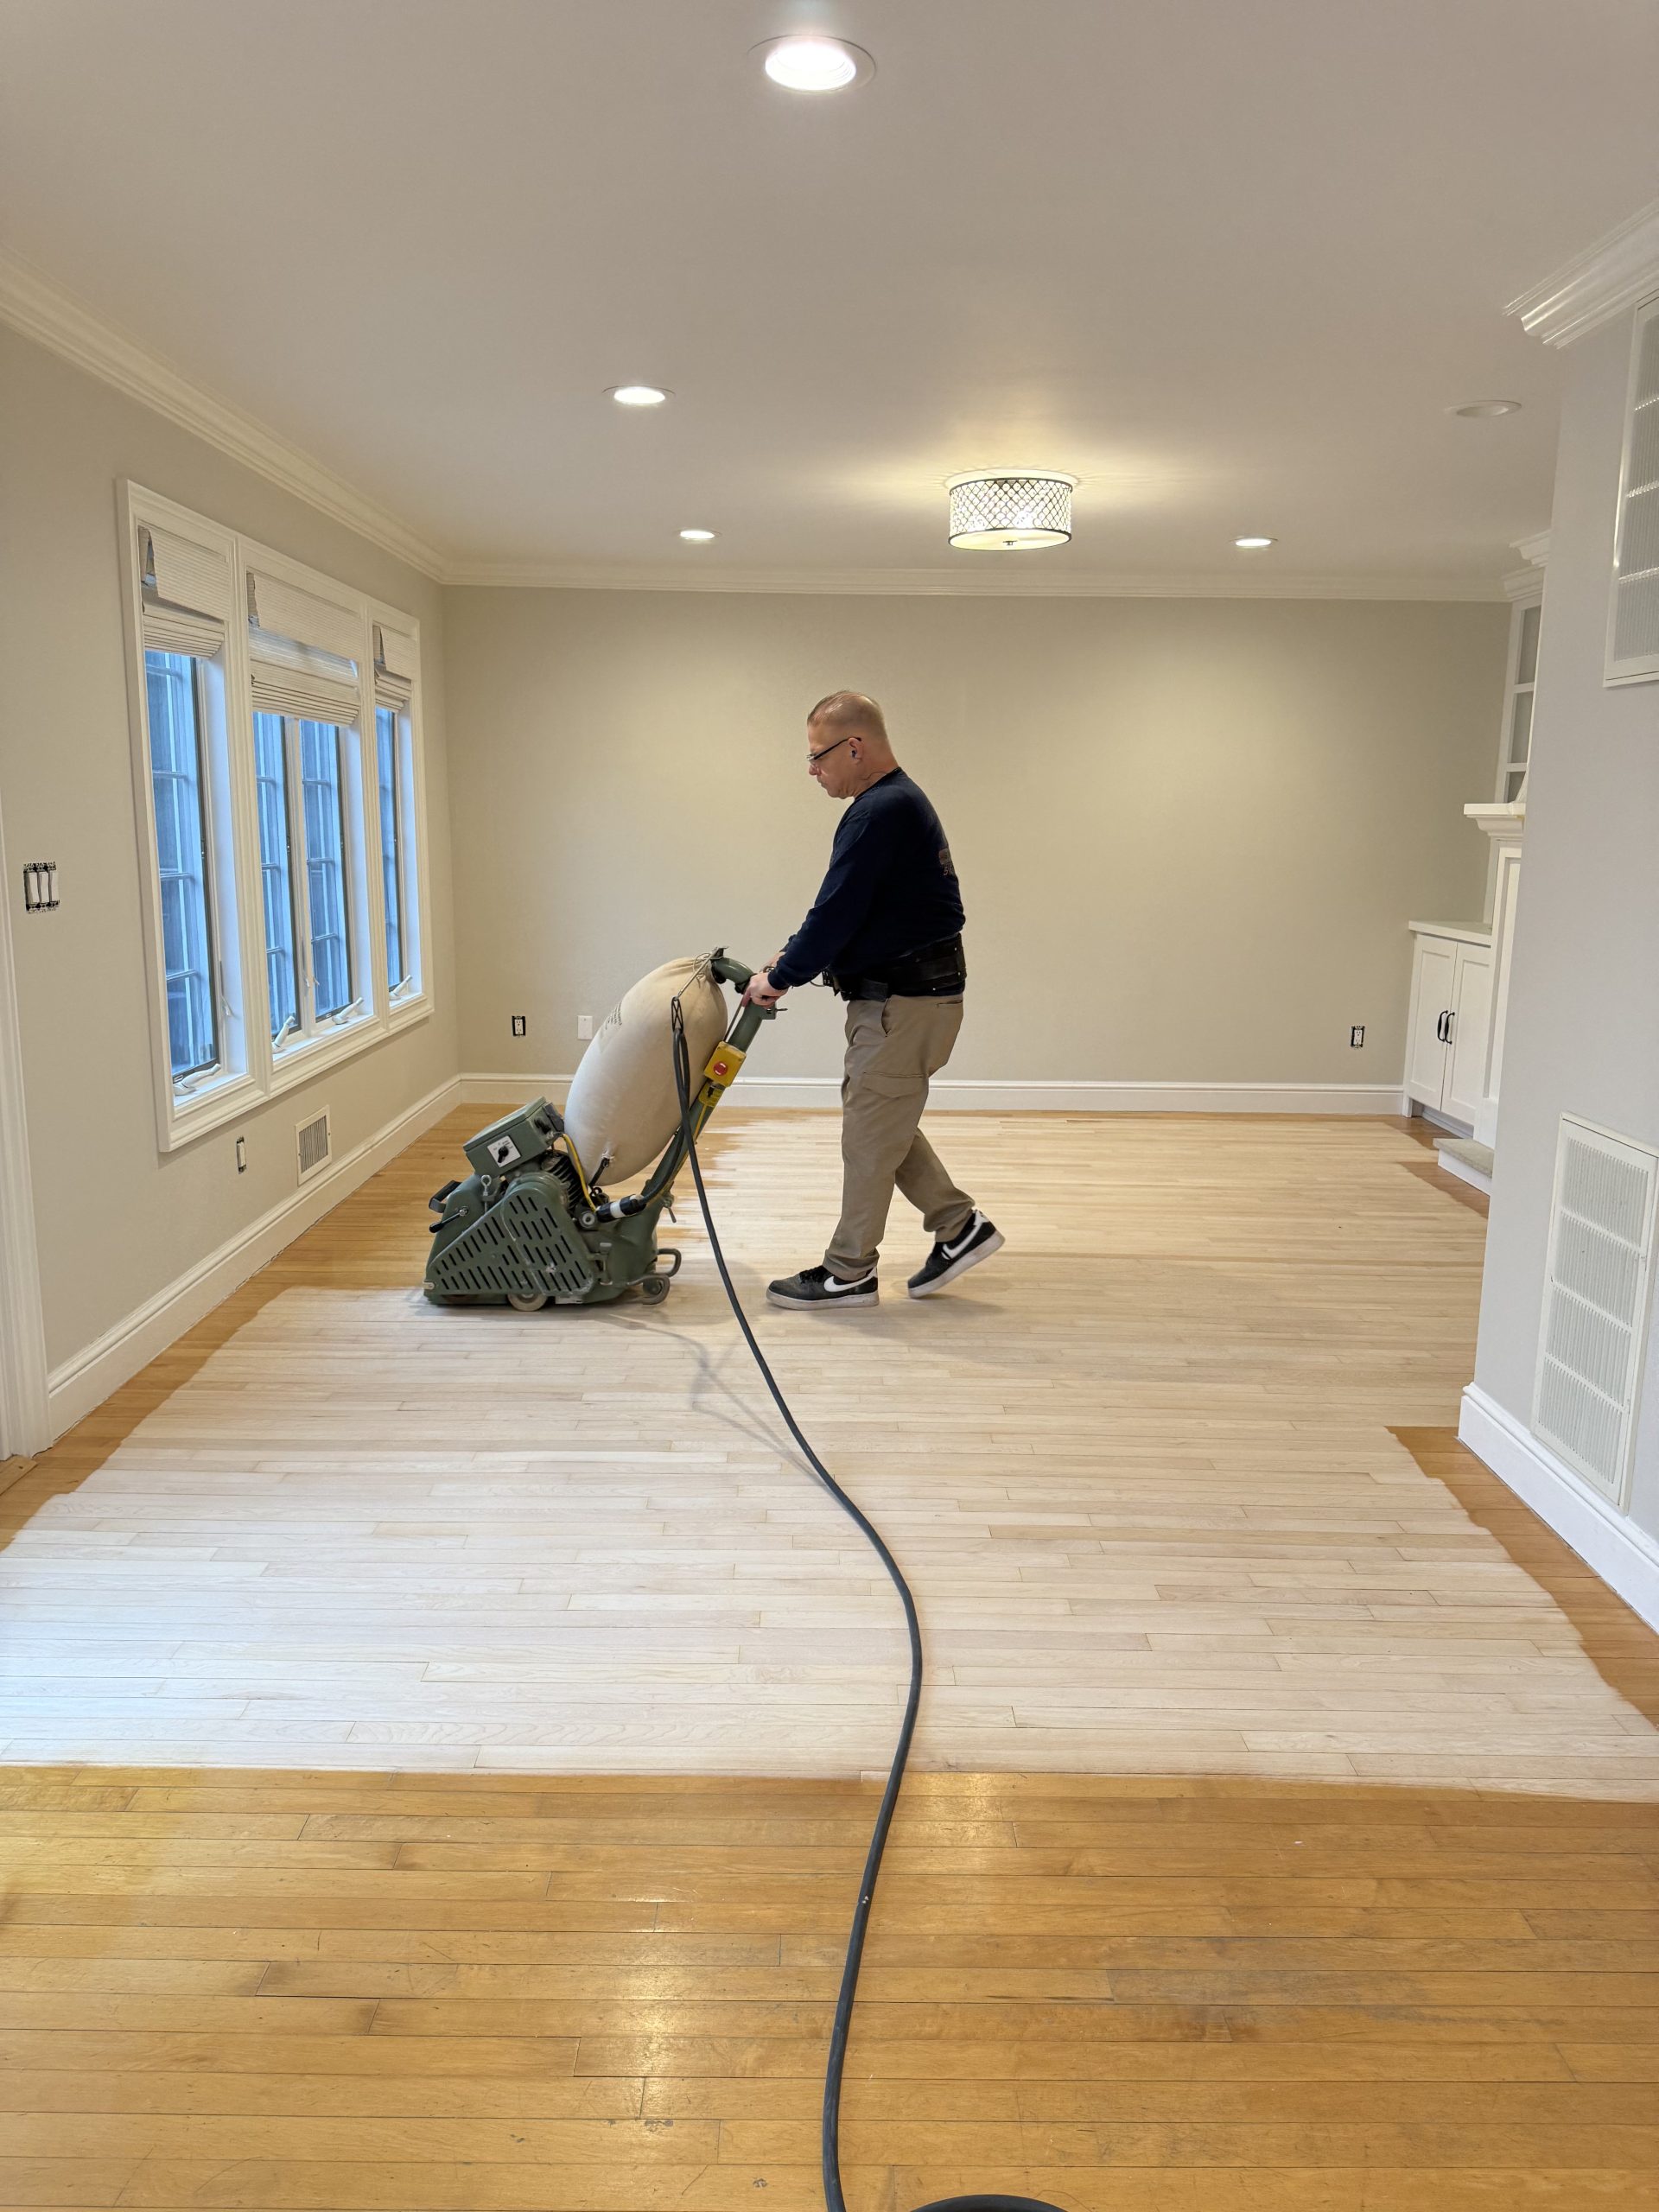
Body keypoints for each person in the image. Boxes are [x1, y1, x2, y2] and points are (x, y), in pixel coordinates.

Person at [742, 691, 1002, 1309]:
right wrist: (789, 956)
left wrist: (781, 977)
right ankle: (959, 1226)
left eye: (817, 756)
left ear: (853, 746)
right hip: (908, 1000)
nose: (812, 771)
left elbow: (837, 913)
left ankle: (849, 1271)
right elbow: (852, 910)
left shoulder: (880, 810)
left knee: (868, 1133)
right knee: (880, 1121)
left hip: (904, 1004)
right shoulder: (892, 805)